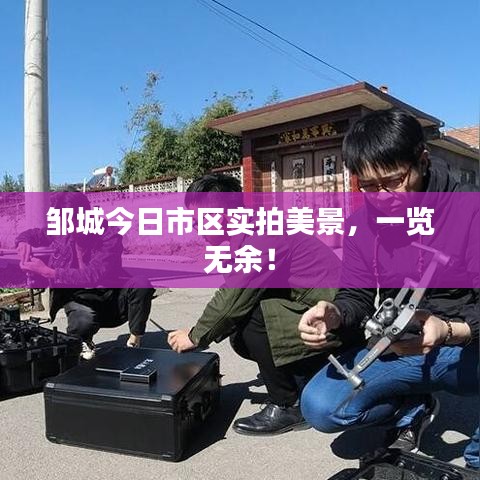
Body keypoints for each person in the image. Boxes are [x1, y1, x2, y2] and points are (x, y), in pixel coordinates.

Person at [298, 108, 479, 464]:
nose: (381, 197)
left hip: (466, 346)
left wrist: (451, 330)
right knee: (320, 406)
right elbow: (356, 295)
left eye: (393, 181)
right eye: (368, 186)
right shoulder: (361, 225)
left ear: (422, 160)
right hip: (400, 346)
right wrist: (335, 314)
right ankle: (411, 409)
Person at [167, 173, 356, 436]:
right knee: (244, 326)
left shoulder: (263, 236)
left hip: (335, 324)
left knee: (254, 317)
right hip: (316, 316)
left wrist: (195, 336)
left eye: (199, 220)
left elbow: (233, 299)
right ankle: (305, 381)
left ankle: (288, 404)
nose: (195, 228)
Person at [16, 191, 155, 359]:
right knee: (82, 321)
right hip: (79, 298)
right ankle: (83, 340)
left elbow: (93, 275)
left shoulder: (109, 234)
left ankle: (135, 339)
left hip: (111, 297)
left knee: (141, 283)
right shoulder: (60, 230)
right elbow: (35, 234)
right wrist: (22, 242)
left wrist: (48, 272)